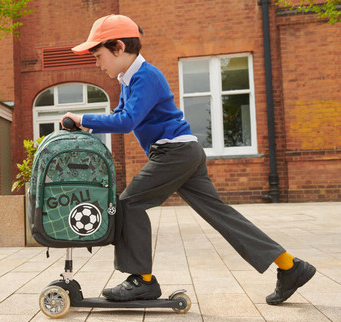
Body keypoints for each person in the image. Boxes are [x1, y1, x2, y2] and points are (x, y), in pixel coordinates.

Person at [61, 14, 316, 305]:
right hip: (182, 152)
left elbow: (126, 120)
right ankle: (289, 266)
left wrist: (82, 119)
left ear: (118, 47)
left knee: (128, 204)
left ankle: (141, 280)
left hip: (175, 153)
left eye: (98, 55)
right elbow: (123, 116)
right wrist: (88, 123)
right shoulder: (129, 79)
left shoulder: (147, 76)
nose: (97, 63)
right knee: (220, 214)